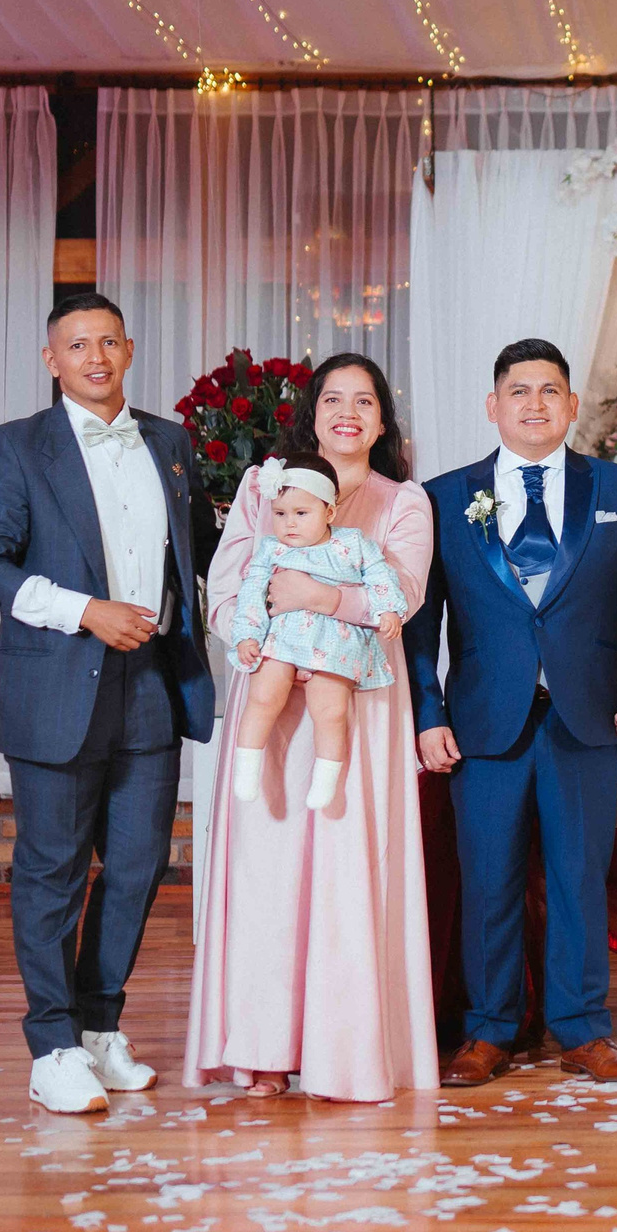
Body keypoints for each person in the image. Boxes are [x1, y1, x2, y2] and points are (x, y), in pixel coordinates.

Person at [0, 292, 215, 1115]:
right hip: (58, 683)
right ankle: (52, 1044)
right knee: (53, 871)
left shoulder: (171, 441)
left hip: (152, 686)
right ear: (52, 360)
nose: (95, 357)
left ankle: (100, 1030)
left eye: (108, 342)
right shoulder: (16, 447)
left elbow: (202, 553)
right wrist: (83, 611)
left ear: (130, 350)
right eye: (77, 345)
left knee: (138, 868)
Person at [404, 338, 617, 1088]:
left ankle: (583, 1029)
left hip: (584, 720)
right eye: (519, 391)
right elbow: (420, 622)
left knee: (578, 877)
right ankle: (490, 1031)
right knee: (488, 879)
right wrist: (427, 713)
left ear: (570, 405)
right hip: (483, 724)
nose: (535, 403)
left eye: (549, 390)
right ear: (494, 407)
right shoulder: (441, 495)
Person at [185, 353, 440, 1103]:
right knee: (267, 870)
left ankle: (344, 1054)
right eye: (334, 399)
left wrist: (318, 601)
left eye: (365, 400)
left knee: (344, 865)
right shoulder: (267, 487)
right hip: (270, 698)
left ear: (383, 420)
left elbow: (406, 598)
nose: (348, 412)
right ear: (313, 413)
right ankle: (261, 1053)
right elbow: (227, 588)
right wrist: (255, 639)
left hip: (355, 703)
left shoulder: (403, 503)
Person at [226, 453, 409, 812]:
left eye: (301, 513)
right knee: (263, 695)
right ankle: (245, 767)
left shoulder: (352, 543)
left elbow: (380, 575)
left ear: (329, 512)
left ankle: (326, 780)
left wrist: (389, 608)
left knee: (330, 710)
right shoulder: (271, 549)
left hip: (334, 640)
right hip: (282, 637)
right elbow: (251, 592)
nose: (289, 524)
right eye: (280, 514)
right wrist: (247, 635)